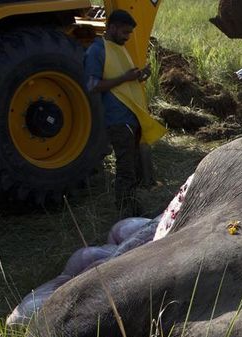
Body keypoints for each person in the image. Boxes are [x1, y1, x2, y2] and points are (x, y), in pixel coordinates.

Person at [84, 9, 166, 217]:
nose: (127, 37)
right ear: (112, 28)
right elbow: (93, 85)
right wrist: (125, 78)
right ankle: (125, 211)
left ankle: (133, 207)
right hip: (117, 120)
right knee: (125, 169)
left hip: (132, 117)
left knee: (135, 167)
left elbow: (123, 81)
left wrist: (139, 77)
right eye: (125, 32)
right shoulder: (97, 51)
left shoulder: (119, 48)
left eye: (129, 33)